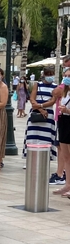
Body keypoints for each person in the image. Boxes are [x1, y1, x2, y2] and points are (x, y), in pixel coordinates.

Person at [23, 66, 60, 170]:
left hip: (48, 114)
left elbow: (53, 101)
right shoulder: (37, 85)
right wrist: (40, 109)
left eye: (51, 74)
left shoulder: (55, 87)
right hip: (36, 113)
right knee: (32, 137)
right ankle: (30, 160)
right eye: (48, 74)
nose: (49, 76)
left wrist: (41, 106)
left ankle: (45, 160)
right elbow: (32, 98)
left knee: (46, 138)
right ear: (44, 75)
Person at [53, 68, 70, 196]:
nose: (66, 78)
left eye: (68, 76)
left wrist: (67, 111)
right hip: (63, 121)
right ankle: (67, 184)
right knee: (65, 156)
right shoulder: (65, 92)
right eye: (65, 76)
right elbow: (54, 93)